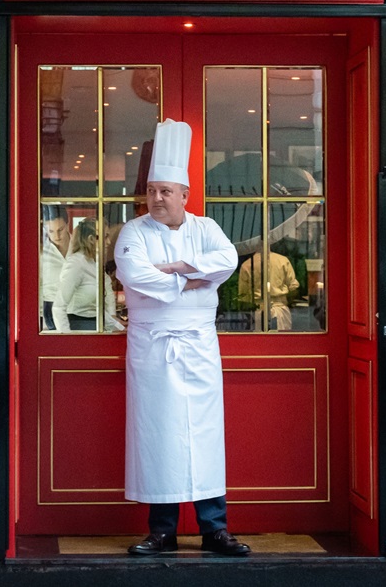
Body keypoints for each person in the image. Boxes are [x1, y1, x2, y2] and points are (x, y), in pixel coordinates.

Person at [114, 119, 250, 557]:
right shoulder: (134, 232)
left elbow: (226, 259)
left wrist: (174, 268)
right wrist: (189, 278)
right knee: (159, 436)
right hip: (153, 349)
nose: (156, 198)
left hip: (198, 345)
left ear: (184, 195)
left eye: (165, 191)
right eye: (152, 190)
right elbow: (136, 276)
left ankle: (214, 529)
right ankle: (162, 531)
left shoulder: (206, 227)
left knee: (205, 435)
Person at [51, 217, 125, 332]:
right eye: (105, 237)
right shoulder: (76, 264)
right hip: (77, 326)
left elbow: (96, 310)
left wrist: (120, 327)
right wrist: (66, 340)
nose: (109, 242)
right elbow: (58, 307)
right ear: (91, 239)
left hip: (95, 325)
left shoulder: (94, 263)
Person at [237, 249, 300, 330]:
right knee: (283, 341)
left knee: (259, 341)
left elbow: (243, 297)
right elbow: (294, 288)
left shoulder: (246, 265)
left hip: (257, 313)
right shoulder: (283, 261)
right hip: (281, 310)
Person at [40, 207, 70, 330]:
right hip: (50, 310)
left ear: (68, 225)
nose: (56, 236)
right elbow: (38, 287)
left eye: (60, 230)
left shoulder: (81, 247)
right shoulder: (41, 254)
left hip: (79, 308)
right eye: (51, 231)